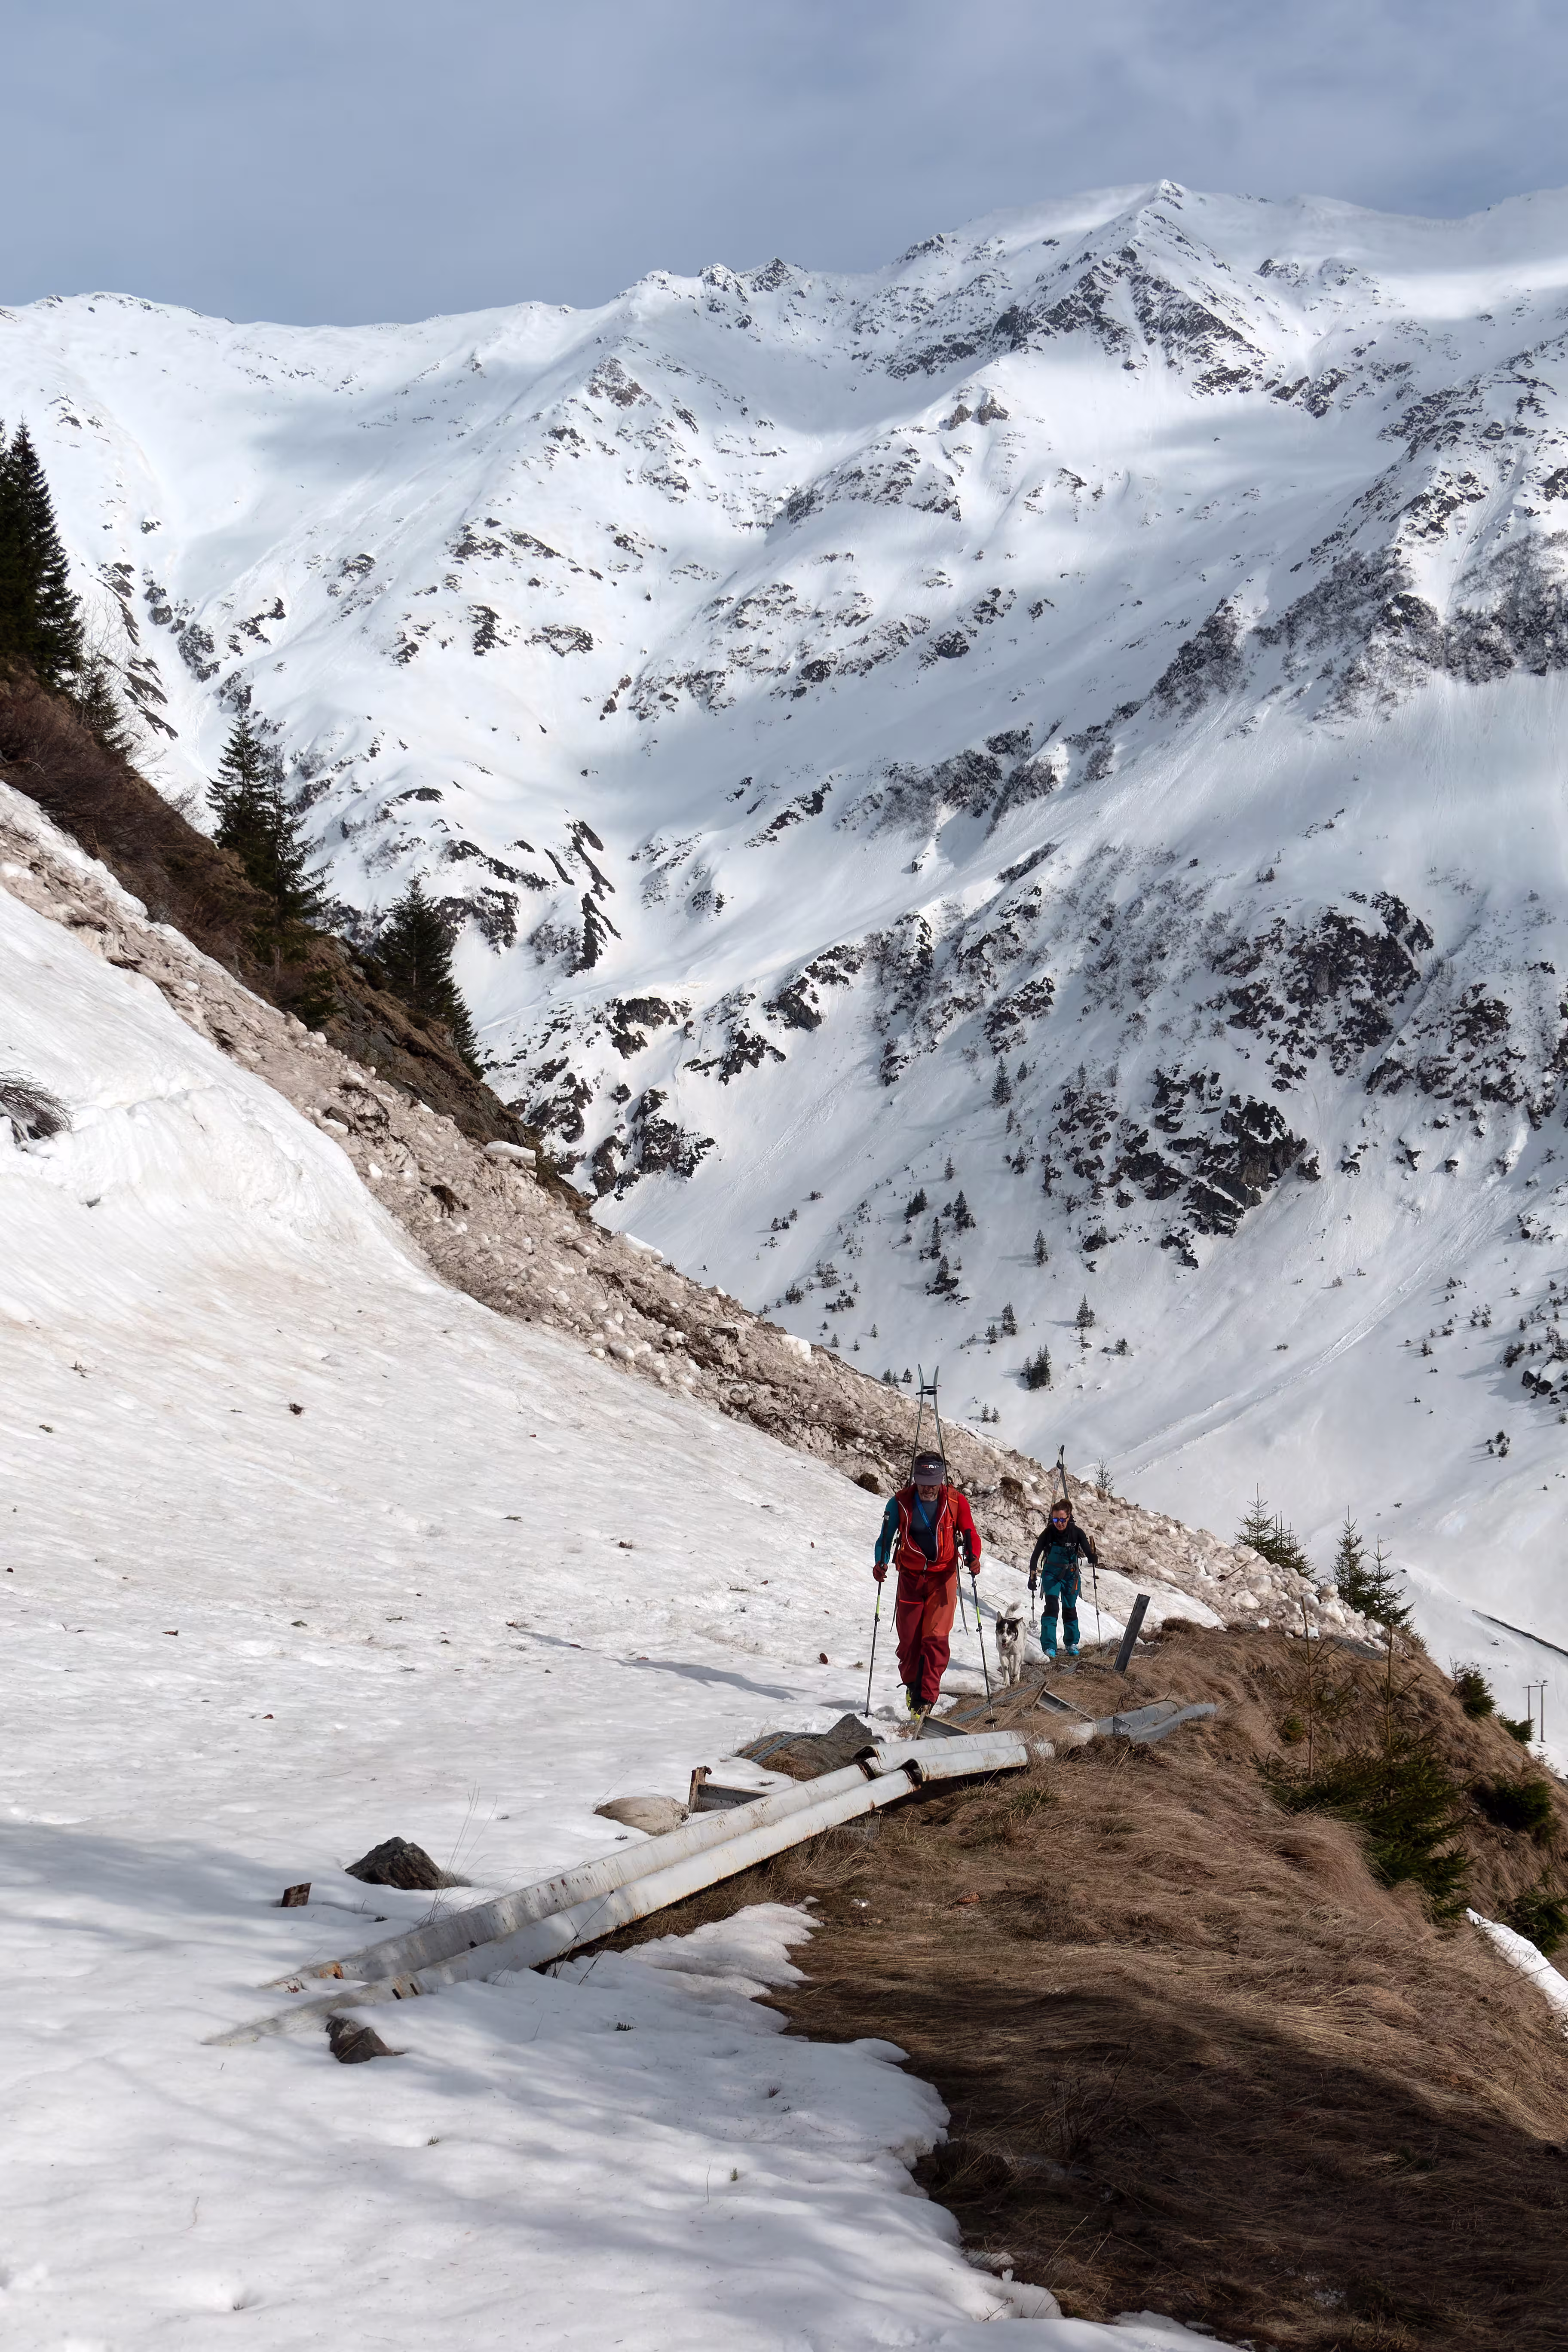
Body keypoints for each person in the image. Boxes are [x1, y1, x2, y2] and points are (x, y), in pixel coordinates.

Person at [873, 1451, 980, 1716]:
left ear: (941, 1479)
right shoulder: (899, 1503)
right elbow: (885, 1538)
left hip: (943, 1579)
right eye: (923, 1482)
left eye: (933, 1482)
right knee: (909, 1643)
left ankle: (926, 1701)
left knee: (935, 1641)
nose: (928, 1488)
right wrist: (881, 1562)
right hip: (910, 1578)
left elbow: (970, 1532)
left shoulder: (956, 1501)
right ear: (915, 1479)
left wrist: (972, 1556)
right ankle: (913, 1687)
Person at [1029, 1494, 1097, 1660]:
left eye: (1062, 1520)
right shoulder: (1048, 1533)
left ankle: (1071, 1643)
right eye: (1056, 1520)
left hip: (1071, 1576)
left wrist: (1093, 1558)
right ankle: (1049, 1646)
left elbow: (1089, 1554)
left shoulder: (1077, 1533)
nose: (1059, 1523)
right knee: (1052, 1607)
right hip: (1051, 1574)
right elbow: (1036, 1555)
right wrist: (1032, 1575)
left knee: (1069, 1609)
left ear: (1069, 1516)